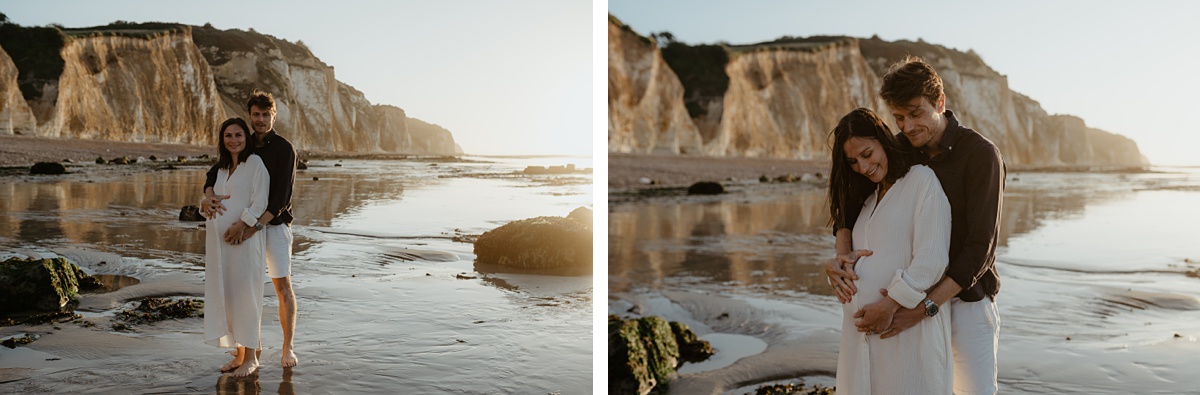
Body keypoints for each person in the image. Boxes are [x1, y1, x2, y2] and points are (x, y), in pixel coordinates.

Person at [826, 56, 1006, 395]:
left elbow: (980, 249)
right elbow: (851, 203)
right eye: (899, 117)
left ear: (940, 102)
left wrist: (923, 307)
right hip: (913, 299)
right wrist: (840, 257)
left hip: (965, 302)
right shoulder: (902, 148)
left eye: (916, 113)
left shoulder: (981, 155)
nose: (907, 127)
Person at [828, 108, 953, 394]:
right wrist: (835, 270)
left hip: (907, 334)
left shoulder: (921, 182)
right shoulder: (867, 199)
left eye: (867, 154)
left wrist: (888, 305)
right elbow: (854, 263)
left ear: (883, 140)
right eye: (853, 162)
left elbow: (932, 261)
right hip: (860, 344)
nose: (863, 166)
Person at [201, 90, 300, 369]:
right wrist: (208, 194)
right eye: (255, 114)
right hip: (244, 226)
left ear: (274, 115)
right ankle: (246, 350)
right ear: (250, 116)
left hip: (274, 225)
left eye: (265, 114)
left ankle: (287, 347)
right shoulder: (244, 144)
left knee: (282, 287)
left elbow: (280, 200)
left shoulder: (284, 149)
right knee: (243, 287)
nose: (260, 119)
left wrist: (250, 226)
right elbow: (214, 173)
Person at [203, 117, 270, 378]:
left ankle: (252, 357)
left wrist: (242, 225)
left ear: (247, 137)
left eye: (239, 135)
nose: (233, 140)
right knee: (229, 296)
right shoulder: (220, 169)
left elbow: (260, 202)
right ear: (222, 139)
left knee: (247, 297)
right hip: (220, 247)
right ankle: (239, 354)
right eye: (228, 135)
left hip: (244, 243)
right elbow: (210, 202)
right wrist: (203, 205)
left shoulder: (255, 164)